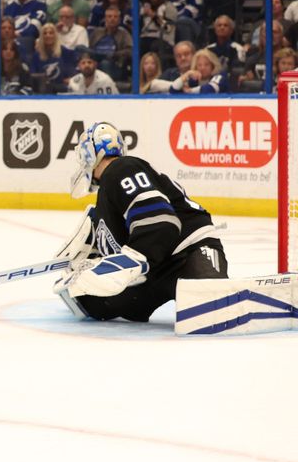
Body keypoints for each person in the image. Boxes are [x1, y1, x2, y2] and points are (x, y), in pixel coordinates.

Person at [54, 122, 228, 323]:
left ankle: (218, 292)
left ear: (91, 153)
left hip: (188, 251)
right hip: (153, 268)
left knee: (210, 305)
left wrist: (130, 259)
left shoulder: (121, 168)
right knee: (91, 302)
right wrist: (89, 265)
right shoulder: (105, 199)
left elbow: (161, 224)